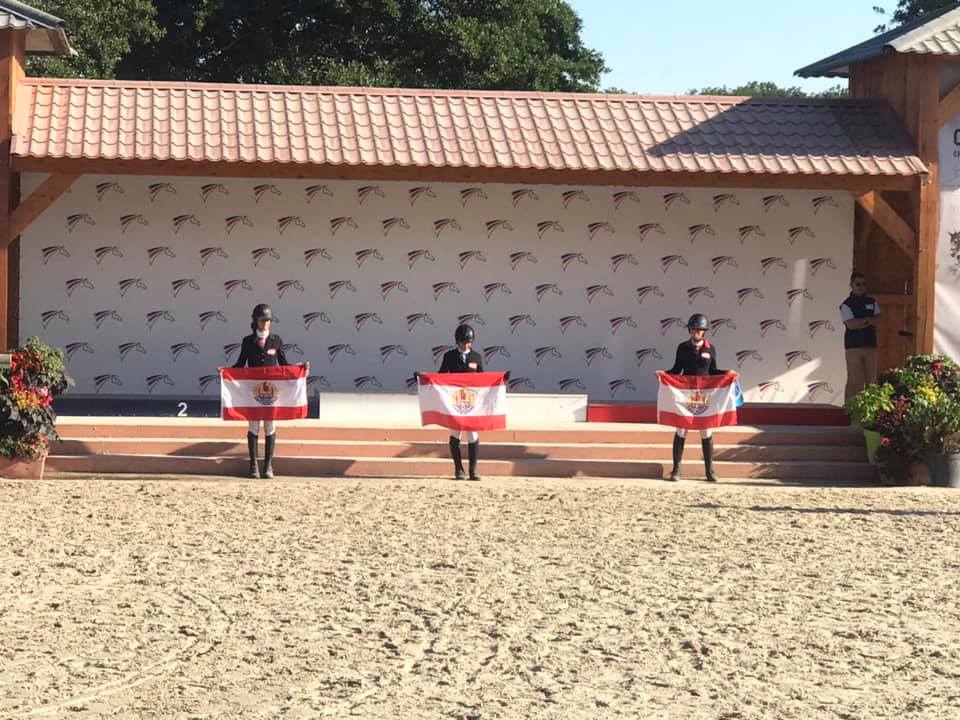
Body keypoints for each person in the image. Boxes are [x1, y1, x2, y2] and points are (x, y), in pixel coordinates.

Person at [664, 313, 728, 482]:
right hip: (686, 394)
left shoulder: (711, 348)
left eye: (699, 330)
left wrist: (727, 373)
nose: (696, 332)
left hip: (705, 395)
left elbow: (713, 371)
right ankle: (676, 470)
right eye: (693, 329)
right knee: (681, 429)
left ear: (704, 331)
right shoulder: (682, 347)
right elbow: (677, 369)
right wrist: (663, 375)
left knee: (706, 431)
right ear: (689, 330)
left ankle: (709, 471)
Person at [234, 303, 290, 479]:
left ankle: (268, 466)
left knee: (270, 426)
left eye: (268, 320)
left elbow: (284, 364)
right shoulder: (247, 341)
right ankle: (253, 466)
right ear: (256, 321)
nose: (266, 323)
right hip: (253, 392)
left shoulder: (277, 340)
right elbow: (240, 364)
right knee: (254, 426)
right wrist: (226, 372)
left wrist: (301, 370)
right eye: (262, 320)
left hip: (272, 393)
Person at [439, 324, 484, 480]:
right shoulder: (449, 356)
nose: (467, 345)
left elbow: (483, 380)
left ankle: (473, 470)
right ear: (457, 342)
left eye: (469, 342)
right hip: (455, 401)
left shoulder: (477, 357)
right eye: (464, 342)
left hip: (471, 402)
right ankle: (458, 470)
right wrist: (423, 378)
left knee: (472, 434)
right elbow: (441, 377)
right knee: (455, 433)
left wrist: (500, 380)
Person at [841, 271, 880, 402]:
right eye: (858, 284)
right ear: (851, 285)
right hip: (853, 347)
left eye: (863, 284)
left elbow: (878, 320)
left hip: (871, 346)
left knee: (872, 381)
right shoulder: (846, 304)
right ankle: (850, 410)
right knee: (855, 381)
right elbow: (851, 325)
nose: (861, 286)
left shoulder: (872, 301)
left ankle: (871, 412)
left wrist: (862, 321)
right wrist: (869, 320)